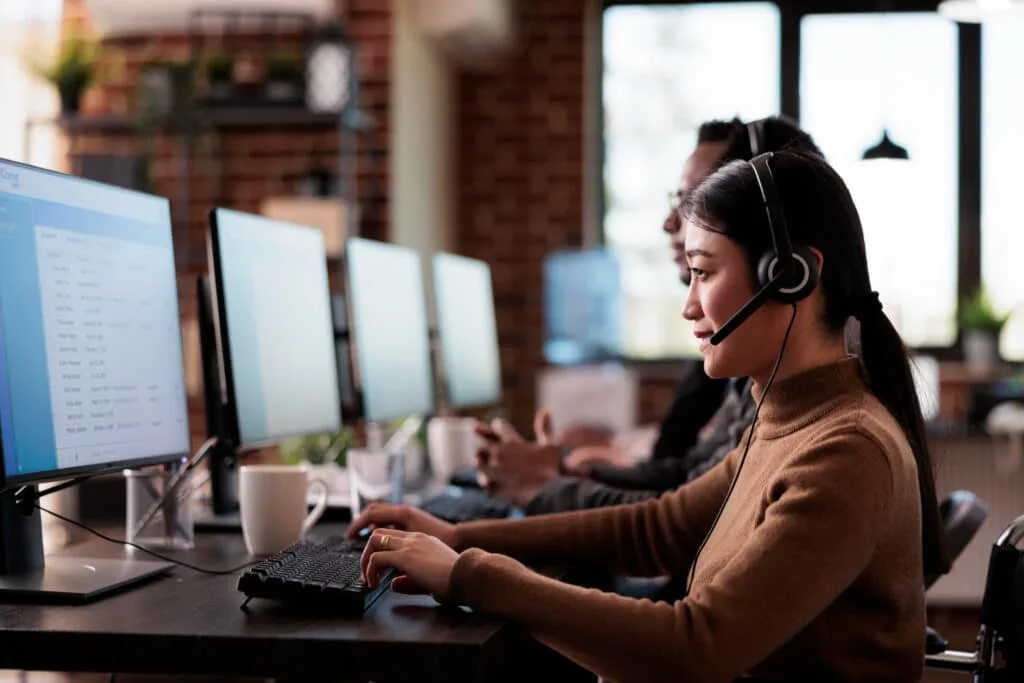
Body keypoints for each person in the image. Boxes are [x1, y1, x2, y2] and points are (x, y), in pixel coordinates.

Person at [349, 148, 950, 681]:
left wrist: (468, 575)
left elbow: (697, 648)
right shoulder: (788, 419)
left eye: (704, 272)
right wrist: (456, 536)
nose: (688, 305)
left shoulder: (846, 451)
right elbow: (657, 529)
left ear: (790, 276)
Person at [487, 116, 824, 517]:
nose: (672, 223)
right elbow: (687, 483)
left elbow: (677, 522)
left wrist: (547, 486)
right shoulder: (760, 376)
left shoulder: (813, 413)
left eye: (695, 200)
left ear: (782, 269)